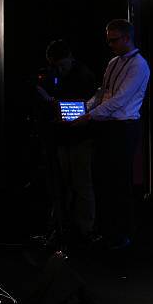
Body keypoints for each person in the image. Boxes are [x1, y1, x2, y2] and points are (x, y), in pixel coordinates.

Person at [74, 19, 150, 249]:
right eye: (108, 40)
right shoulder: (113, 62)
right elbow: (103, 94)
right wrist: (82, 108)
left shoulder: (139, 65)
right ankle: (107, 230)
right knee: (103, 180)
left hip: (123, 128)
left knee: (120, 182)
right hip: (106, 126)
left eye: (114, 40)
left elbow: (120, 100)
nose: (110, 44)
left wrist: (89, 115)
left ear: (127, 37)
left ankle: (123, 234)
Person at [36, 40, 96, 244]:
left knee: (81, 185)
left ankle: (85, 230)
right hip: (63, 138)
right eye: (55, 66)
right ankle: (67, 227)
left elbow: (84, 105)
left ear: (70, 58)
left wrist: (55, 104)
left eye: (61, 65)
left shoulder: (84, 76)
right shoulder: (57, 74)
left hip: (79, 138)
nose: (58, 70)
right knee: (64, 185)